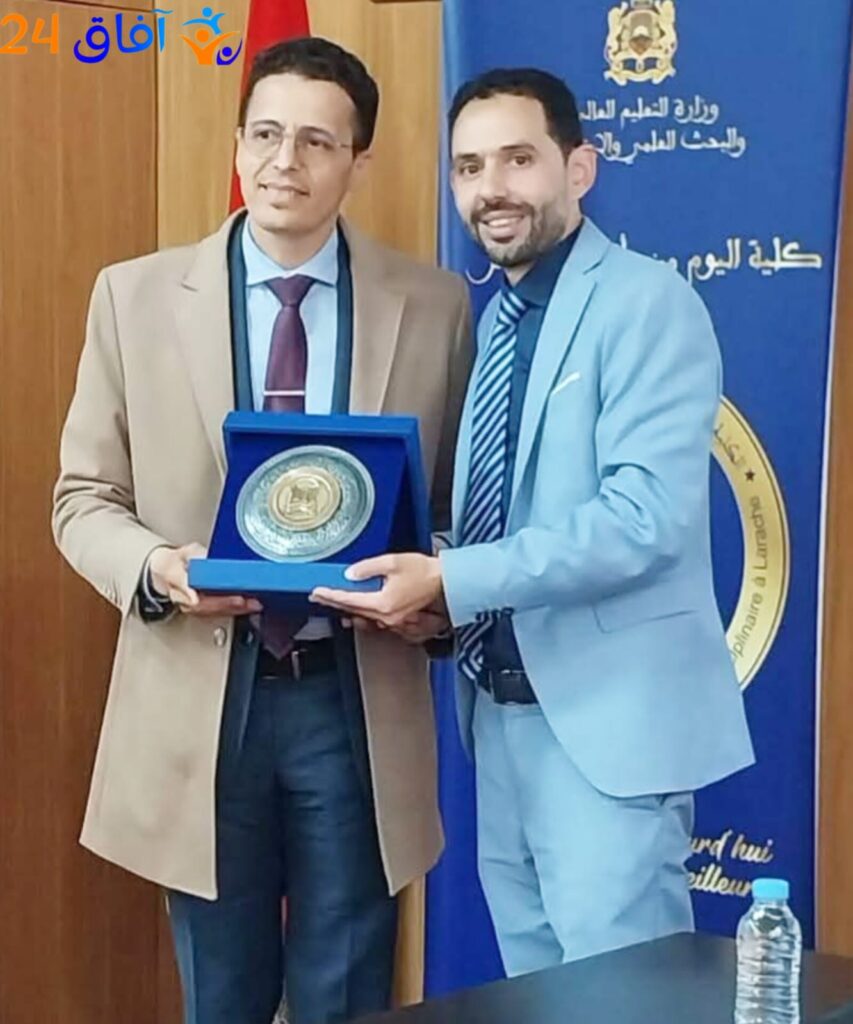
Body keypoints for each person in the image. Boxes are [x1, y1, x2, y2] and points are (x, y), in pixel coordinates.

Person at [52, 37, 471, 1024]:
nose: (285, 162)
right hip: (200, 694)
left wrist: (435, 597)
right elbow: (81, 498)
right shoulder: (133, 297)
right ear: (237, 143)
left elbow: (456, 515)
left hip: (355, 697)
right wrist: (159, 567)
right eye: (266, 135)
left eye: (317, 142)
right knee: (223, 995)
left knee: (347, 992)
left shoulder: (435, 305)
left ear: (358, 161)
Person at [311, 67, 755, 977]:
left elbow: (642, 520)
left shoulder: (645, 302)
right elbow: (509, 518)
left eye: (518, 159)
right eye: (469, 167)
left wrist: (453, 577)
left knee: (622, 998)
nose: (492, 189)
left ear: (578, 168)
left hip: (606, 732)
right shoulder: (502, 319)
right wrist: (437, 593)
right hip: (502, 719)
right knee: (538, 996)